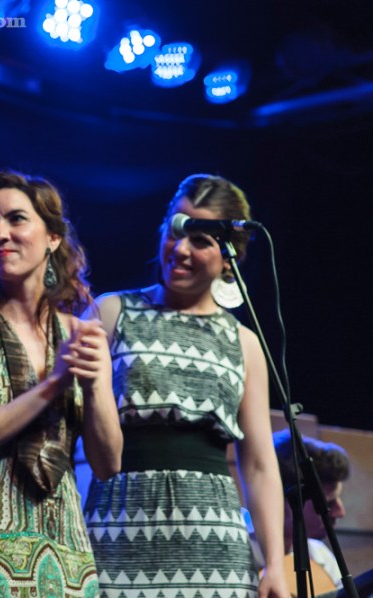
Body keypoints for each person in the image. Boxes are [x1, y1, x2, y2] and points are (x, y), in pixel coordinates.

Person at [83, 174, 289, 598]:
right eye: (175, 230)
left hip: (215, 540)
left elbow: (258, 464)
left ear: (229, 258)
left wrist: (275, 565)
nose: (180, 249)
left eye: (200, 240)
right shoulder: (111, 312)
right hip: (119, 530)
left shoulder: (244, 342)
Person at [0, 170, 123, 596]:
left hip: (67, 543)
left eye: (16, 219)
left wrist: (94, 387)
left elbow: (108, 464)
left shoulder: (81, 332)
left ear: (53, 237)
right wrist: (54, 384)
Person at [270, 429, 350, 591]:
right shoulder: (239, 554)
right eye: (327, 503)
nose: (340, 512)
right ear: (286, 502)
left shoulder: (320, 556)